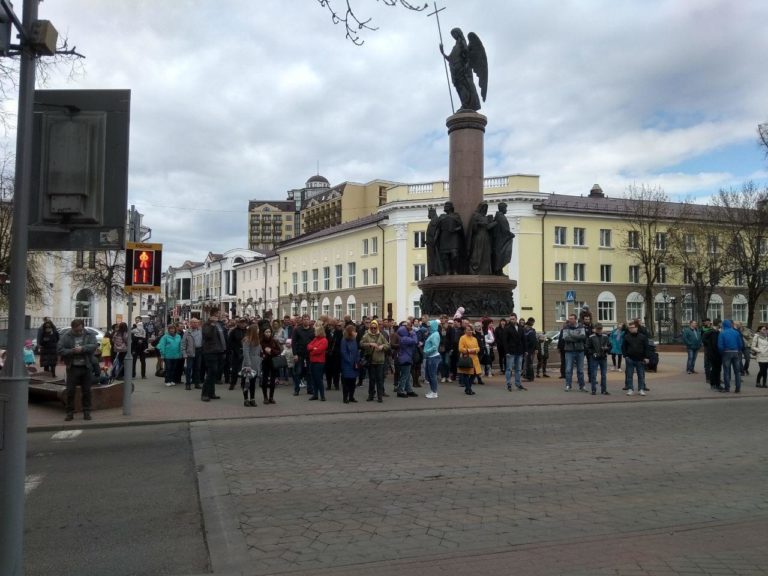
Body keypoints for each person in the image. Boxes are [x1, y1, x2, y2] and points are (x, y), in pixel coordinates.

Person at [58, 319, 99, 421]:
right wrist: (72, 351)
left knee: (87, 391)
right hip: (72, 367)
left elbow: (94, 345)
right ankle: (70, 412)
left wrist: (83, 349)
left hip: (86, 366)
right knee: (70, 391)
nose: (79, 332)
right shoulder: (66, 336)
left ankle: (87, 412)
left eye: (81, 330)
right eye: (77, 331)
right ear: (72, 329)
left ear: (83, 327)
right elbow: (60, 349)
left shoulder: (89, 334)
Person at [439, 27, 482, 111]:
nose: (453, 36)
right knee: (459, 87)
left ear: (458, 33)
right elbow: (450, 58)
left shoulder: (462, 43)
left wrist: (466, 66)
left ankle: (467, 104)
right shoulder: (455, 47)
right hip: (455, 70)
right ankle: (464, 103)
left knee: (464, 86)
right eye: (452, 35)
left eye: (454, 34)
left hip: (462, 70)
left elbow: (467, 56)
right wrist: (442, 52)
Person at [360, 319, 389, 403]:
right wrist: (369, 344)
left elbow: (388, 345)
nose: (373, 329)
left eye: (375, 328)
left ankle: (380, 396)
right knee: (372, 379)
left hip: (380, 361)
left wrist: (382, 346)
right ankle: (371, 395)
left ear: (377, 328)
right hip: (371, 361)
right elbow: (361, 344)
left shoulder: (381, 335)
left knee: (380, 379)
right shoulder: (366, 335)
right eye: (372, 328)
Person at [201, 309, 226, 402]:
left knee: (214, 373)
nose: (218, 316)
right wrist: (212, 325)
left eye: (219, 314)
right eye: (217, 314)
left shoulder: (219, 325)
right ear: (212, 315)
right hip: (210, 351)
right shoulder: (207, 325)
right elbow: (207, 335)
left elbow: (222, 337)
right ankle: (204, 394)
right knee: (211, 372)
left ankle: (211, 393)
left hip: (219, 351)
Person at [622, 321, 651, 396]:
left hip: (640, 359)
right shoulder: (626, 337)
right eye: (630, 328)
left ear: (636, 328)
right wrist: (626, 356)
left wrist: (647, 357)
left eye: (632, 327)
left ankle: (641, 389)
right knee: (629, 375)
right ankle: (630, 389)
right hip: (630, 359)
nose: (631, 329)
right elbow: (623, 347)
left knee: (641, 375)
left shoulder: (643, 337)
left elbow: (647, 348)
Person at [436, 201, 464, 275]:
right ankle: (448, 270)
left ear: (451, 207)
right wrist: (435, 239)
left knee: (454, 255)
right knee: (445, 256)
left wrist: (455, 229)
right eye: (445, 206)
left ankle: (455, 270)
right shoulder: (441, 216)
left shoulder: (456, 216)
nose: (445, 207)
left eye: (447, 206)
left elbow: (461, 227)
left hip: (453, 237)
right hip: (444, 237)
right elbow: (438, 229)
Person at [561, 314, 587, 392]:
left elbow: (583, 336)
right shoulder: (566, 327)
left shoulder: (581, 326)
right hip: (569, 351)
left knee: (580, 370)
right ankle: (568, 385)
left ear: (575, 319)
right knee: (568, 369)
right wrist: (577, 337)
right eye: (569, 319)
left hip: (580, 350)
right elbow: (565, 338)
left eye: (572, 318)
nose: (570, 320)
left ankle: (582, 386)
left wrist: (571, 336)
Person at [466, 201, 493, 275]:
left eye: (486, 208)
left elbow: (488, 227)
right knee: (477, 254)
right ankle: (474, 270)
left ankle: (485, 270)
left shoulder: (486, 217)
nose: (485, 209)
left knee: (485, 254)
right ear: (480, 208)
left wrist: (493, 222)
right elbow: (473, 228)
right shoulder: (476, 216)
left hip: (485, 237)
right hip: (478, 237)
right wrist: (479, 224)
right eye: (484, 208)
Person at [718, 319, 743, 393]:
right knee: (737, 371)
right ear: (730, 324)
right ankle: (738, 388)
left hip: (726, 353)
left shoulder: (722, 333)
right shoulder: (736, 332)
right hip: (735, 352)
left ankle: (727, 388)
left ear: (724, 325)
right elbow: (740, 344)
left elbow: (720, 345)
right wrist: (738, 350)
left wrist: (722, 353)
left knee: (726, 371)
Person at [504, 314, 527, 391]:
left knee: (518, 369)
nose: (512, 320)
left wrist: (525, 350)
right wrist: (507, 351)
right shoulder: (507, 328)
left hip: (519, 351)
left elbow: (524, 340)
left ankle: (518, 384)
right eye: (511, 319)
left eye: (513, 319)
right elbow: (505, 342)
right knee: (509, 369)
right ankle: (508, 384)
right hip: (510, 352)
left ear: (516, 319)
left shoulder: (521, 328)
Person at [395, 321, 419, 398]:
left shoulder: (402, 337)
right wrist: (413, 333)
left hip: (405, 357)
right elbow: (415, 341)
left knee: (407, 375)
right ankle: (400, 390)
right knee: (405, 375)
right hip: (405, 358)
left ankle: (408, 390)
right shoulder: (404, 338)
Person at [240, 324, 261, 406]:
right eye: (257, 329)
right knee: (246, 382)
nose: (259, 330)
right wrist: (248, 364)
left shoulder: (257, 340)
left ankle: (252, 398)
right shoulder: (247, 340)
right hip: (248, 363)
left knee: (253, 382)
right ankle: (246, 399)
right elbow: (245, 353)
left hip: (255, 362)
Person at [260, 326, 282, 404]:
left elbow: (279, 351)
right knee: (264, 380)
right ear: (263, 333)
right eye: (266, 332)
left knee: (273, 380)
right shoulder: (261, 342)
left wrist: (271, 350)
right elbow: (259, 352)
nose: (268, 333)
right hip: (265, 362)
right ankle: (265, 397)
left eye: (269, 332)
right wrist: (263, 353)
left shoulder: (274, 341)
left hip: (273, 362)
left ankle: (271, 397)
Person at [586, 323, 611, 395]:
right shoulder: (591, 337)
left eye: (600, 329)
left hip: (603, 357)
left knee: (604, 375)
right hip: (594, 358)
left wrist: (607, 349)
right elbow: (587, 347)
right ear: (595, 329)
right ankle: (593, 390)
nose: (599, 331)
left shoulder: (605, 336)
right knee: (594, 374)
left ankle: (604, 390)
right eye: (598, 329)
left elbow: (609, 346)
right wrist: (593, 353)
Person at [491, 202, 514, 276]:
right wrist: (511, 234)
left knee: (499, 254)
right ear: (502, 208)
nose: (506, 210)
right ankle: (498, 270)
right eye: (505, 208)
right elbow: (505, 229)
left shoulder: (498, 216)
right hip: (500, 240)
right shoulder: (501, 217)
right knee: (501, 254)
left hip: (499, 239)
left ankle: (498, 270)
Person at [307, 324, 328, 401]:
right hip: (312, 361)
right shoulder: (315, 339)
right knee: (313, 379)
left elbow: (319, 350)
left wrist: (312, 351)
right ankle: (315, 395)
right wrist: (313, 348)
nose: (314, 332)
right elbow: (308, 346)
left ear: (320, 331)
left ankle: (322, 395)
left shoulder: (324, 340)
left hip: (319, 362)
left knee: (318, 379)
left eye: (315, 331)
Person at [458, 323, 481, 395]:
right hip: (466, 358)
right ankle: (469, 389)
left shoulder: (474, 339)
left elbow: (478, 348)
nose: (470, 331)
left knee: (474, 374)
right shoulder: (462, 338)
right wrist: (469, 350)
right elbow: (460, 348)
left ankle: (468, 388)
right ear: (465, 331)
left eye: (471, 330)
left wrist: (476, 350)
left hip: (474, 358)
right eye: (468, 330)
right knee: (466, 374)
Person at [340, 323, 359, 403]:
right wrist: (350, 360)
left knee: (353, 382)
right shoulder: (344, 340)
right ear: (350, 331)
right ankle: (345, 397)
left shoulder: (354, 340)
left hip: (354, 364)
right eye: (354, 331)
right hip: (346, 364)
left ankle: (351, 396)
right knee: (346, 382)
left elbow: (357, 351)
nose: (355, 332)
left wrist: (357, 360)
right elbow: (343, 352)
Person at [182, 317, 203, 390]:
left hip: (199, 351)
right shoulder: (187, 332)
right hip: (190, 352)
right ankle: (188, 384)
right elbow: (183, 344)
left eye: (196, 322)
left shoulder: (201, 331)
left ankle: (197, 383)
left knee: (197, 368)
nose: (195, 324)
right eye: (193, 322)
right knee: (189, 368)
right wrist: (184, 354)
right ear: (190, 324)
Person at [423, 319, 442, 399]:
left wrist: (426, 351)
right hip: (430, 357)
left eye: (430, 326)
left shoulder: (435, 335)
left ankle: (434, 392)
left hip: (433, 357)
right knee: (429, 375)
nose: (428, 327)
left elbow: (435, 347)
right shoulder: (433, 334)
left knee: (432, 375)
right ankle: (432, 390)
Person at [702, 319, 722, 391]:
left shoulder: (717, 332)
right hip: (713, 354)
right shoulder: (712, 332)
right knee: (714, 369)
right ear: (718, 324)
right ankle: (713, 384)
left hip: (716, 354)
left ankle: (717, 384)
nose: (721, 325)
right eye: (720, 323)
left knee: (717, 369)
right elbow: (704, 340)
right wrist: (709, 345)